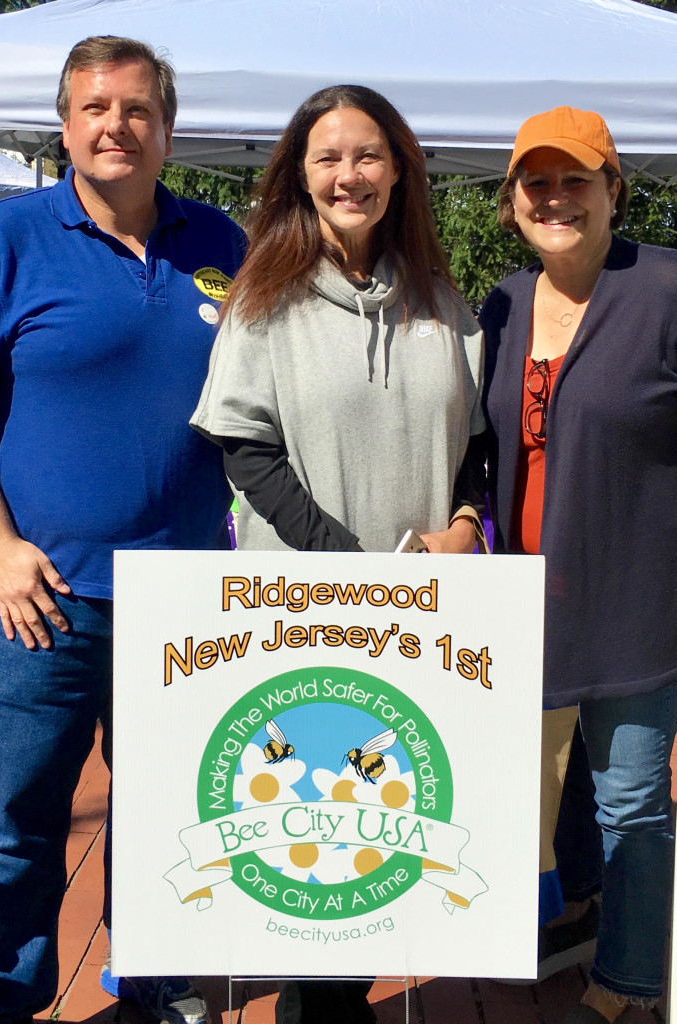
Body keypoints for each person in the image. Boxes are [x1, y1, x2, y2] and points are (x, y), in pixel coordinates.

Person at [0, 35, 245, 1024]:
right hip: (40, 601)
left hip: (188, 604)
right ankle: (1, 1002)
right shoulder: (2, 241)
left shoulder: (219, 243)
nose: (116, 126)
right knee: (14, 826)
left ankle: (155, 985)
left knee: (168, 812)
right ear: (66, 125)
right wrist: (0, 548)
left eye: (137, 109)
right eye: (95, 108)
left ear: (166, 129)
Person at [191, 83, 485, 1024]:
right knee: (309, 821)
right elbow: (246, 448)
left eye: (368, 155)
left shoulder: (446, 304)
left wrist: (467, 527)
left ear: (400, 170)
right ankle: (320, 1004)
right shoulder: (262, 301)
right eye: (328, 158)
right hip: (302, 603)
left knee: (393, 807)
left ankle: (342, 995)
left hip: (422, 614)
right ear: (300, 175)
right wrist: (348, 561)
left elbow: (476, 442)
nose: (348, 174)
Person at [480, 105, 677, 1024]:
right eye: (538, 181)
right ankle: (552, 917)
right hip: (520, 600)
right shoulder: (506, 302)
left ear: (615, 191)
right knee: (524, 789)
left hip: (633, 598)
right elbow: (478, 447)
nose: (556, 197)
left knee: (634, 804)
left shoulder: (672, 290)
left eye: (577, 178)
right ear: (512, 200)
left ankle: (632, 981)